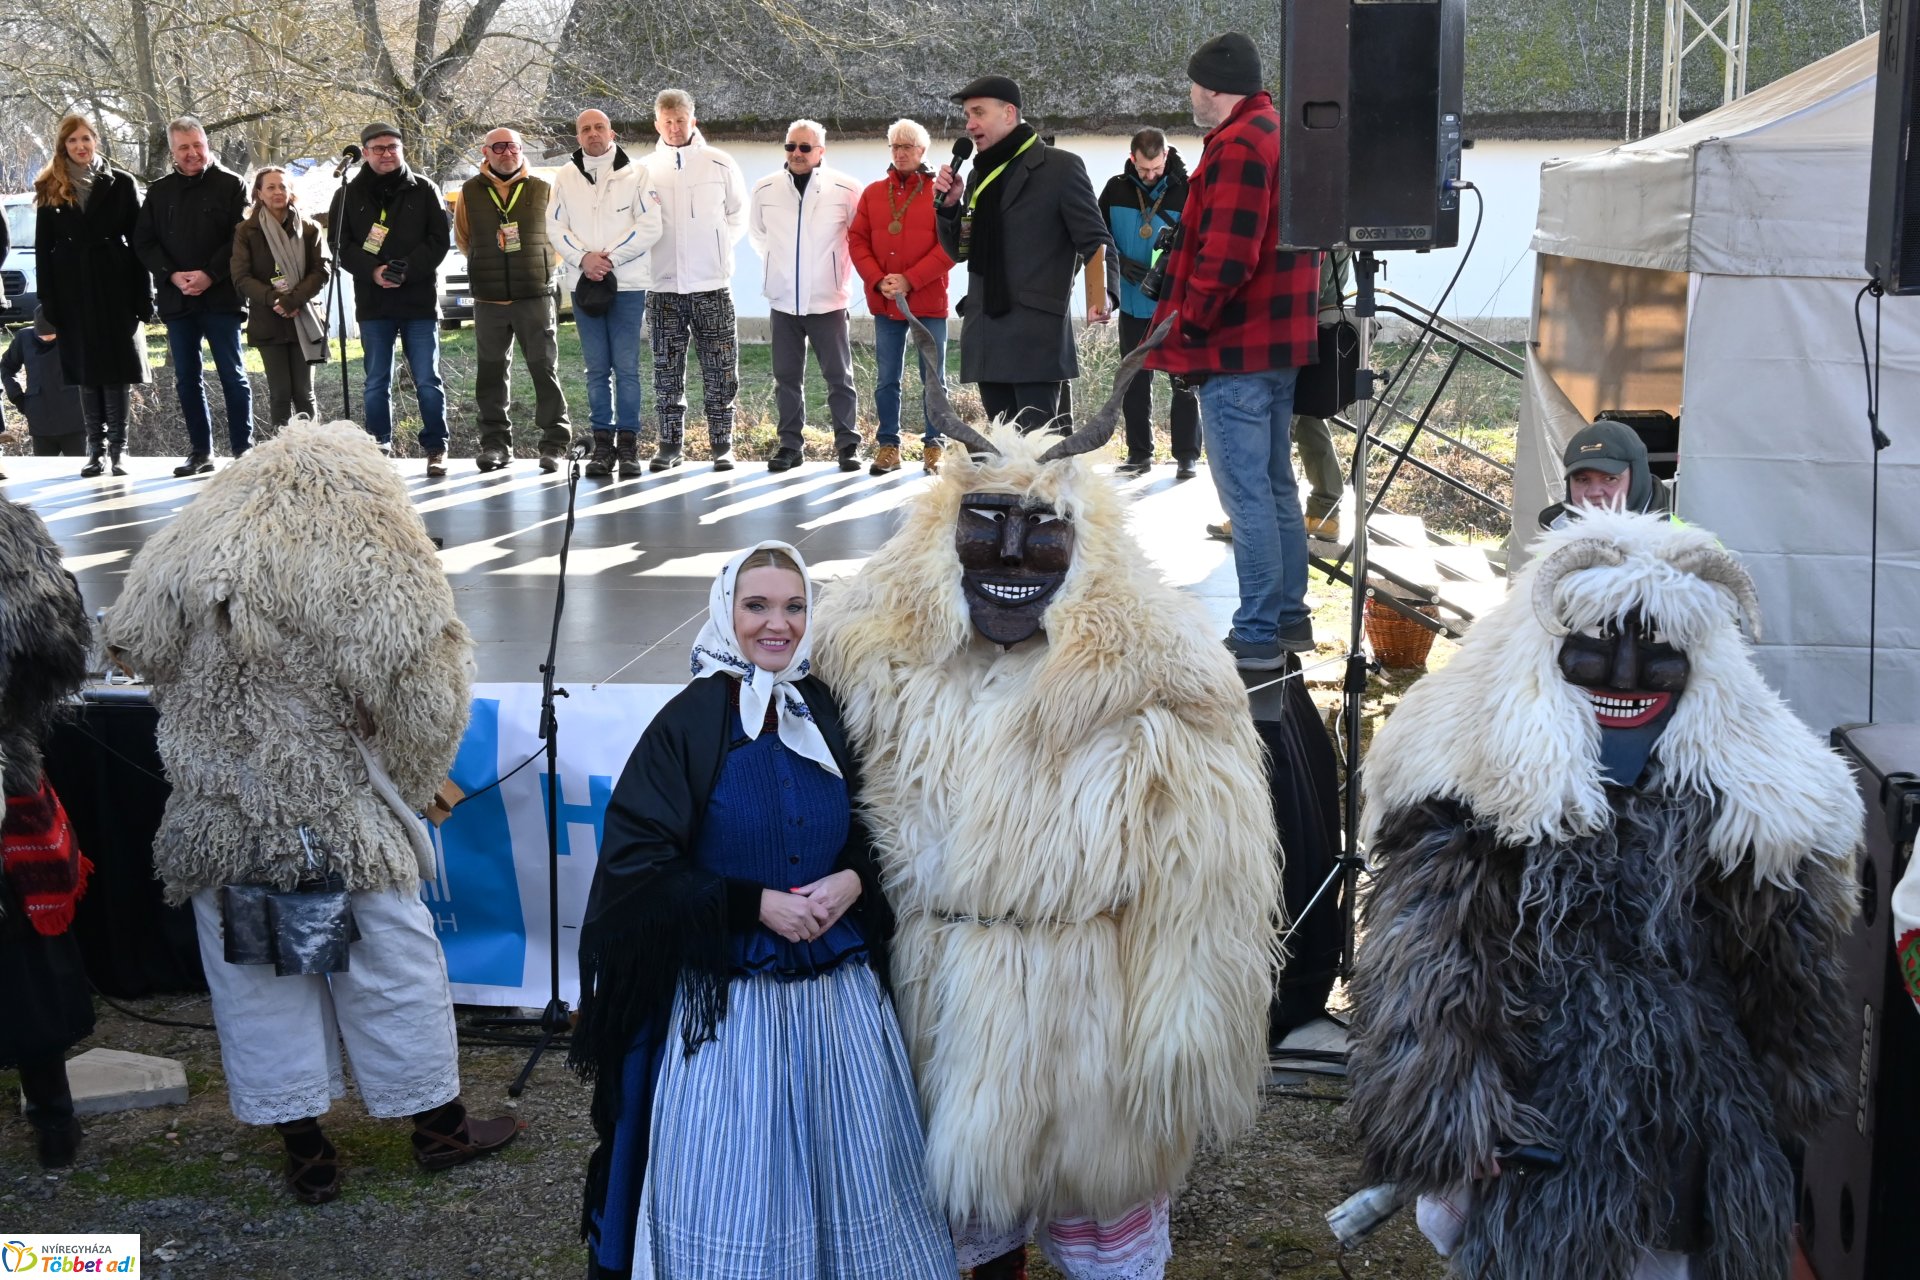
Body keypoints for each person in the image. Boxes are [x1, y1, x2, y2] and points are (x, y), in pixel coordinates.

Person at [813, 337, 1279, 1280]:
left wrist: (1180, 1036)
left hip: (1088, 1013)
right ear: (943, 535)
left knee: (1097, 1221)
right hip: (930, 997)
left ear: (1086, 544)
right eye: (985, 523)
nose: (1012, 553)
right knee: (956, 1225)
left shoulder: (1163, 681)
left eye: (1043, 530)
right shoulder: (872, 659)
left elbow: (1207, 887)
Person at [1346, 510, 1859, 1279]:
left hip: (1698, 1126)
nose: (1624, 674)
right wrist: (1449, 1108)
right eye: (1597, 644)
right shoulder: (1477, 795)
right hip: (1544, 1126)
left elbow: (1783, 975)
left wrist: (1791, 1073)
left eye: (1657, 650)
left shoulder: (1743, 805)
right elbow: (1430, 970)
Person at [105, 418, 517, 1204]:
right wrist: (406, 787)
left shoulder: (187, 540)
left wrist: (210, 721)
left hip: (222, 814)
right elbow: (426, 694)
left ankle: (308, 1153)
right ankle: (438, 1128)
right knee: (388, 968)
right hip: (336, 812)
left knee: (258, 976)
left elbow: (130, 644)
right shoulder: (374, 546)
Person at [570, 541, 957, 1280]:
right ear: (726, 611)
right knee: (742, 1172)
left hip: (837, 998)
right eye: (757, 606)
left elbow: (881, 827)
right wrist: (752, 905)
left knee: (856, 1160)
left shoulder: (829, 711)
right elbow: (637, 867)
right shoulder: (687, 724)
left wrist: (854, 882)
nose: (777, 624)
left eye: (793, 607)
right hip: (727, 1005)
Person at [1146, 33, 1321, 669]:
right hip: (1273, 344)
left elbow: (1228, 257)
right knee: (1274, 488)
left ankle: (1256, 634)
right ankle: (1290, 619)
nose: (1190, 94)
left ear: (1214, 87)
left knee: (1247, 497)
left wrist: (1190, 327)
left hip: (1236, 349)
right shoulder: (1276, 132)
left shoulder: (1241, 143)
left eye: (1194, 84)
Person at [932, 76, 1116, 431]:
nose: (969, 124)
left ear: (1008, 113)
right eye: (967, 115)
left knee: (1043, 454)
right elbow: (961, 250)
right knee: (1004, 453)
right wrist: (951, 207)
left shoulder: (1061, 168)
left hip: (1036, 341)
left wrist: (1103, 294)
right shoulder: (977, 176)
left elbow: (1096, 241)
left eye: (978, 113)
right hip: (986, 336)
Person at [0, 495, 96, 1170]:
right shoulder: (10, 527)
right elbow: (56, 645)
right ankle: (54, 1123)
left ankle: (56, 1121)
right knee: (20, 946)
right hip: (5, 763)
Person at [33, 113, 152, 479]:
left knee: (116, 368)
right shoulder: (51, 185)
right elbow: (43, 249)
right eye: (73, 140)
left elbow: (140, 243)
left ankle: (119, 449)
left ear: (96, 140)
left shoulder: (121, 182)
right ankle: (95, 449)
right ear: (63, 146)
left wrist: (144, 294)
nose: (80, 146)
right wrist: (49, 301)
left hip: (116, 283)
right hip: (73, 287)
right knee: (86, 370)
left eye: (86, 138)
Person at [133, 116, 251, 475]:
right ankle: (201, 452)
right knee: (187, 379)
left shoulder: (232, 184)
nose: (192, 153)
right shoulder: (159, 192)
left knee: (233, 375)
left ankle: (244, 452)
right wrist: (171, 274)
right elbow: (144, 241)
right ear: (173, 152)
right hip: (178, 297)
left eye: (197, 145)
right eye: (183, 147)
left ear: (207, 144)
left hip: (221, 296)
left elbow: (240, 238)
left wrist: (209, 274)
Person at [331, 123, 452, 476]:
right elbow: (340, 245)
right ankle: (378, 447)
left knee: (427, 379)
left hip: (418, 301)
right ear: (365, 153)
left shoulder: (424, 188)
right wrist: (373, 271)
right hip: (374, 303)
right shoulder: (347, 193)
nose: (387, 153)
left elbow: (438, 240)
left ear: (402, 150)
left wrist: (405, 270)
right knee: (375, 381)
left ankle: (436, 448)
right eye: (379, 148)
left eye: (393, 147)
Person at [549, 108, 663, 480]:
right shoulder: (565, 176)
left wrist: (609, 258)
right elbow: (555, 226)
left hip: (626, 284)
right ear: (578, 136)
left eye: (600, 127)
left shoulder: (637, 173)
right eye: (586, 129)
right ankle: (602, 445)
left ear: (611, 133)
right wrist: (585, 259)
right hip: (585, 285)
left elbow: (650, 225)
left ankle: (628, 445)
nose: (593, 133)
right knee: (596, 368)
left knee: (626, 368)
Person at [748, 119, 863, 473]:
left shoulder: (846, 188)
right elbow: (758, 237)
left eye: (805, 147)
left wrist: (831, 272)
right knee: (786, 377)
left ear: (820, 151)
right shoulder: (765, 188)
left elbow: (857, 238)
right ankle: (790, 446)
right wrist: (780, 268)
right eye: (790, 146)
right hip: (783, 301)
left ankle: (847, 445)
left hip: (828, 300)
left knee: (839, 377)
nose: (796, 153)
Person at [643, 89, 748, 471]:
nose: (674, 128)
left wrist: (715, 250)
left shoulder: (719, 163)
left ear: (693, 121)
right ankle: (670, 445)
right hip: (663, 287)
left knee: (721, 369)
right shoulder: (645, 169)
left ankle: (722, 444)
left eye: (680, 120)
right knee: (666, 371)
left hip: (712, 286)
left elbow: (737, 215)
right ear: (658, 124)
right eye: (667, 122)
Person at [456, 127, 571, 473]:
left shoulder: (543, 188)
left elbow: (559, 237)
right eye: (499, 147)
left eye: (513, 146)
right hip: (489, 300)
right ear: (485, 151)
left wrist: (539, 268)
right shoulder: (469, 191)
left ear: (522, 151)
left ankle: (554, 444)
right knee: (490, 374)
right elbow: (464, 238)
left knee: (544, 369)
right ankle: (495, 445)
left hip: (534, 296)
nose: (507, 152)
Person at [849, 118, 953, 476]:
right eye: (895, 146)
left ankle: (935, 445)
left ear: (922, 150)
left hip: (928, 301)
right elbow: (857, 240)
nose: (900, 152)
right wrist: (878, 280)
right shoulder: (873, 193)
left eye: (907, 146)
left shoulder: (941, 193)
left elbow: (950, 247)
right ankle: (888, 447)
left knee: (934, 378)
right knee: (886, 379)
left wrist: (911, 279)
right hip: (887, 301)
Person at [1099, 127, 1198, 478]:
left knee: (1183, 381)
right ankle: (1139, 453)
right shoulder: (1114, 189)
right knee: (1133, 382)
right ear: (1132, 159)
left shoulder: (1188, 191)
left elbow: (1201, 243)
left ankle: (1187, 456)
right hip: (1131, 303)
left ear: (1166, 157)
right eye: (1143, 169)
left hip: (1174, 305)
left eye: (1156, 168)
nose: (1151, 175)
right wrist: (1119, 263)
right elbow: (1097, 237)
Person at [231, 167, 330, 428]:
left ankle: (312, 447)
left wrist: (292, 300)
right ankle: (283, 449)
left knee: (304, 393)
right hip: (268, 318)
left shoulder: (309, 228)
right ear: (259, 193)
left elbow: (321, 270)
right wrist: (275, 299)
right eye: (271, 187)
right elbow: (241, 277)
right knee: (280, 393)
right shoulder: (246, 230)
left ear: (291, 191)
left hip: (303, 316)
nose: (278, 192)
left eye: (283, 186)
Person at [1293, 249, 1351, 542]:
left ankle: (1260, 512)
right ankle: (1325, 514)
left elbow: (1310, 286)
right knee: (1309, 422)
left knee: (1279, 427)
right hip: (1317, 332)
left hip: (1299, 330)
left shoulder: (1322, 228)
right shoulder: (1338, 226)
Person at [1537, 419, 1674, 529]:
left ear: (1638, 481)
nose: (1594, 493)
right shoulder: (1552, 541)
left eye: (1609, 478)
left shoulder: (1678, 544)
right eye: (1582, 480)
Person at [2, 309, 88, 456]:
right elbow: (6, 368)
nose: (47, 339)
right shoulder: (24, 338)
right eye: (42, 337)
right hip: (40, 420)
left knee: (79, 468)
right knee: (43, 467)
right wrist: (17, 397)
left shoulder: (77, 337)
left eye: (52, 336)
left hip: (75, 420)